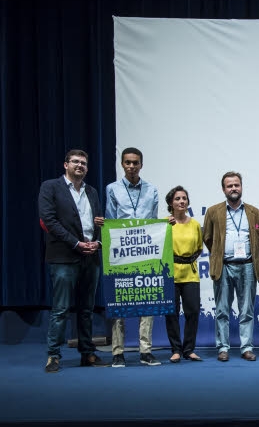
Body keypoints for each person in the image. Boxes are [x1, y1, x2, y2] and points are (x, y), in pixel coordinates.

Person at [38, 149, 109, 372]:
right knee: (61, 309)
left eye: (84, 163)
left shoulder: (92, 191)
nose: (80, 165)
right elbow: (49, 221)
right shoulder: (50, 187)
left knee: (87, 309)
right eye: (76, 162)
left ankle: (87, 352)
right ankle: (53, 355)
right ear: (65, 165)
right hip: (64, 256)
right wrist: (76, 243)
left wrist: (98, 241)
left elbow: (97, 222)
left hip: (91, 256)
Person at [105, 147, 160, 367]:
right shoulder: (113, 189)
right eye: (127, 162)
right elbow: (110, 219)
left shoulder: (151, 189)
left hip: (146, 251)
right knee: (119, 302)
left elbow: (154, 221)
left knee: (146, 302)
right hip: (121, 252)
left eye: (135, 163)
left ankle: (145, 351)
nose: (131, 166)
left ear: (141, 164)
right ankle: (117, 352)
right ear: (122, 164)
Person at [203, 171, 259, 362]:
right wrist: (221, 254)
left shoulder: (254, 212)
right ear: (223, 189)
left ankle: (246, 347)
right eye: (229, 186)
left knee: (246, 309)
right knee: (222, 309)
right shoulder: (214, 211)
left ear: (241, 187)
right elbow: (207, 237)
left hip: (247, 266)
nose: (233, 189)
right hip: (224, 266)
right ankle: (223, 347)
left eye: (236, 185)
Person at [164, 186, 203, 363]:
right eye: (178, 198)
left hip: (190, 273)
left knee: (193, 311)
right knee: (171, 313)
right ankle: (176, 349)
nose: (182, 201)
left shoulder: (195, 224)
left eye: (184, 198)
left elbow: (200, 247)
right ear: (171, 203)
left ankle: (189, 349)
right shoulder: (165, 223)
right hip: (170, 273)